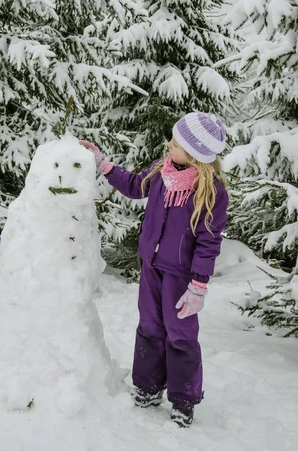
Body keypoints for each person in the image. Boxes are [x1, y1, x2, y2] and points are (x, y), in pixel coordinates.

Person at [80, 112, 229, 428]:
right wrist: (103, 165)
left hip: (182, 277)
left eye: (175, 143)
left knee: (180, 336)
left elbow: (209, 241)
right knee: (149, 327)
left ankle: (183, 400)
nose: (169, 145)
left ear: (194, 154)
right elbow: (134, 186)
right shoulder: (161, 172)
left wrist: (199, 284)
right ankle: (148, 387)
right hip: (151, 268)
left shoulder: (211, 191)